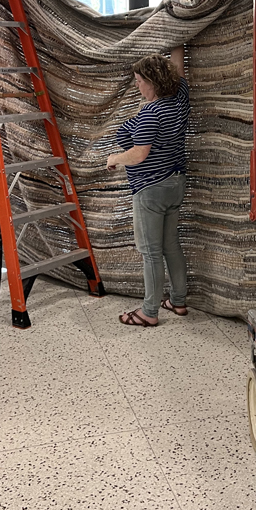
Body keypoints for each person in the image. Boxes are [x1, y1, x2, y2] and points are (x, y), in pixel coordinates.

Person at [106, 46, 190, 325]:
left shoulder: (151, 114)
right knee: (171, 245)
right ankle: (178, 301)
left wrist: (115, 158)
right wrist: (177, 40)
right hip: (175, 183)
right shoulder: (180, 97)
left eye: (139, 81)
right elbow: (178, 69)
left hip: (151, 188)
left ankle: (149, 312)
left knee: (151, 252)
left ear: (152, 82)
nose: (137, 86)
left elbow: (139, 154)